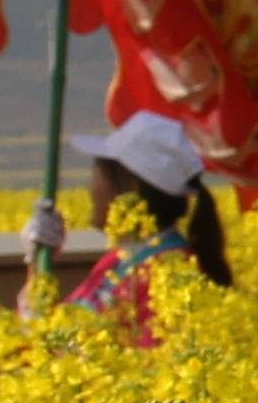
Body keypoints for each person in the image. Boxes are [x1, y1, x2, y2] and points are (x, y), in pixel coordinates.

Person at [27, 107, 232, 342]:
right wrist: (37, 267)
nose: (90, 188)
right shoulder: (119, 260)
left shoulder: (171, 276)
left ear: (131, 188)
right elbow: (47, 340)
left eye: (97, 174)